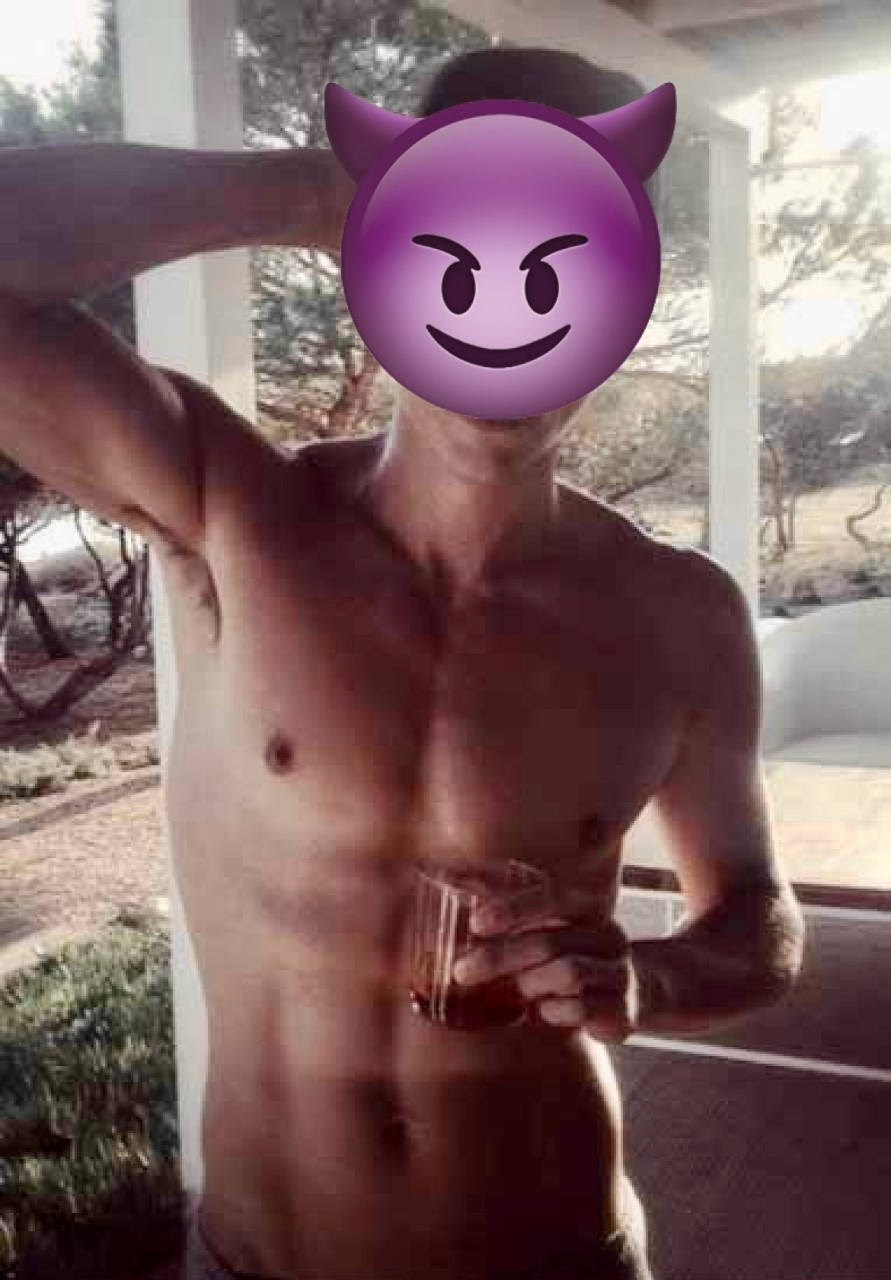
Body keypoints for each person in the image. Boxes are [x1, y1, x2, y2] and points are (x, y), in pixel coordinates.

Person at [0, 44, 804, 1280]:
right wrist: (325, 192)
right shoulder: (233, 515)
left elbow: (757, 915)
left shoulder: (678, 612)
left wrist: (649, 977)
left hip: (556, 1251)